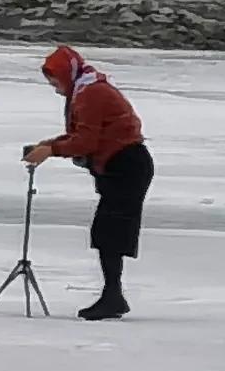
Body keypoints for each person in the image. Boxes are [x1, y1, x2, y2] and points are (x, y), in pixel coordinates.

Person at [23, 45, 153, 320]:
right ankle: (113, 294)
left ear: (67, 75)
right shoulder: (85, 89)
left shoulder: (91, 93)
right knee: (106, 232)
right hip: (119, 165)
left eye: (55, 82)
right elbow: (83, 135)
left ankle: (113, 296)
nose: (56, 89)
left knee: (110, 233)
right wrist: (49, 145)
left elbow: (86, 141)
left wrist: (51, 150)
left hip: (127, 165)